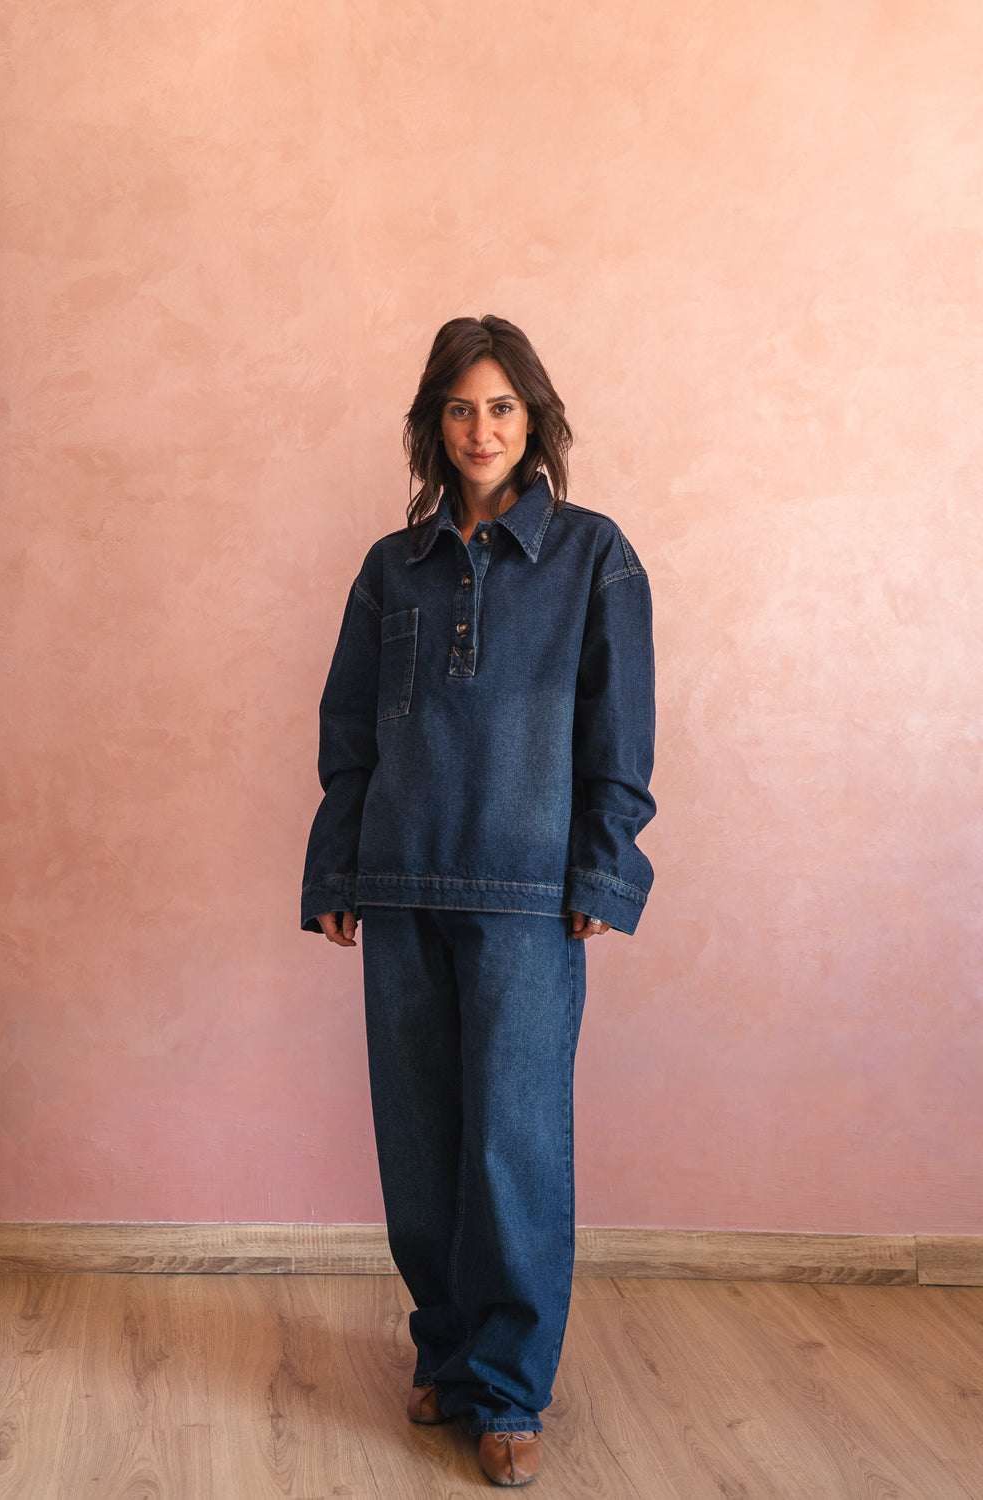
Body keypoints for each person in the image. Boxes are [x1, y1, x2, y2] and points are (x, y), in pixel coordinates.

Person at [302, 315, 655, 1488]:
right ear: (433, 424)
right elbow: (349, 732)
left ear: (533, 419)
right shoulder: (389, 567)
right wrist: (338, 869)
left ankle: (507, 1391)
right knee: (419, 1145)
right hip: (400, 885)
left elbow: (619, 734)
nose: (480, 429)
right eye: (459, 408)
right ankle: (447, 1359)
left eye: (501, 406)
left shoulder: (593, 557)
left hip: (526, 900)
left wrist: (600, 869)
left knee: (512, 1147)